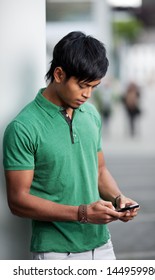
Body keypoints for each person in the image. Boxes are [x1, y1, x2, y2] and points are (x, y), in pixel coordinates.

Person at [3, 31, 139, 260]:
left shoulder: (91, 114)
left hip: (102, 246)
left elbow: (99, 171)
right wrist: (82, 214)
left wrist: (118, 199)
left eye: (94, 87)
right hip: (55, 253)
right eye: (83, 85)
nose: (87, 94)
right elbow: (18, 201)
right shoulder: (23, 127)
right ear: (58, 74)